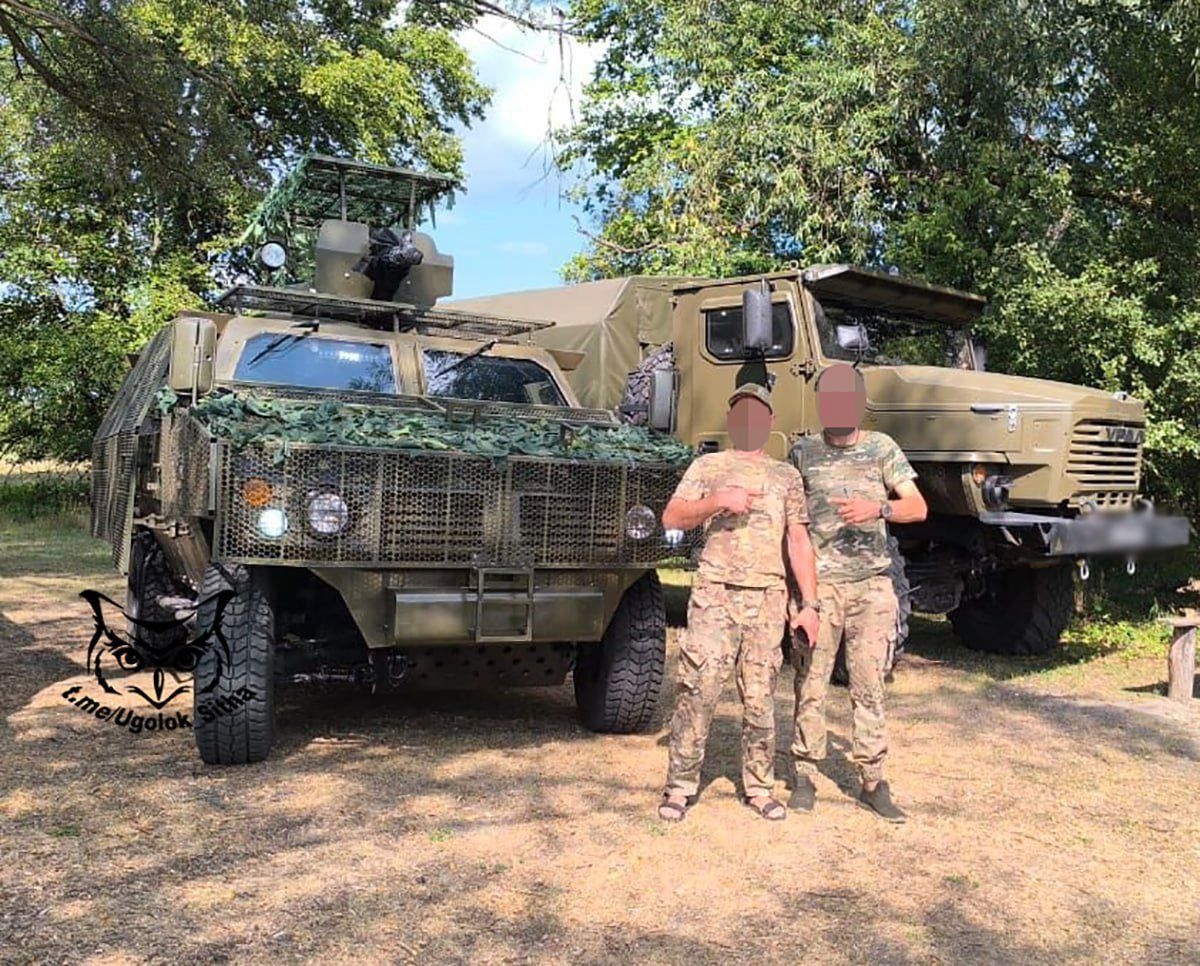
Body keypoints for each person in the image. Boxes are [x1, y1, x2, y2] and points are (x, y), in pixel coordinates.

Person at [657, 383, 819, 823]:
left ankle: (760, 787)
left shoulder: (786, 476)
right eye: (740, 413)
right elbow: (671, 517)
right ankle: (679, 788)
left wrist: (811, 604)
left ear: (769, 422)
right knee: (698, 692)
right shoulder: (709, 465)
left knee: (762, 699)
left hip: (768, 600)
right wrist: (716, 502)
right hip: (715, 595)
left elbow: (798, 539)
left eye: (757, 413)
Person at [788, 363, 927, 823]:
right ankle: (804, 777)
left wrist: (878, 507)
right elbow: (794, 524)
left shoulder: (881, 448)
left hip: (871, 589)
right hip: (821, 589)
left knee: (869, 689)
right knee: (810, 684)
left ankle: (873, 781)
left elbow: (918, 507)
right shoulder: (803, 452)